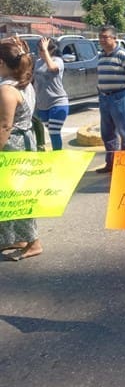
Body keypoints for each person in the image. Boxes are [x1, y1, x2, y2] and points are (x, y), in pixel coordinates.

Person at [0, 37, 43, 261]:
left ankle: (33, 242)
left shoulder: (7, 90)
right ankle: (17, 237)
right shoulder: (24, 82)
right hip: (25, 142)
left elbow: (5, 125)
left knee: (18, 194)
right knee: (10, 193)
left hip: (13, 147)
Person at [95, 26, 125, 174]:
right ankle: (111, 163)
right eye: (100, 37)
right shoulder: (100, 56)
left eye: (105, 37)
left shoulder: (123, 55)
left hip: (119, 96)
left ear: (114, 38)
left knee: (124, 132)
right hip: (104, 98)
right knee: (107, 133)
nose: (102, 40)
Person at [33, 36, 69, 150]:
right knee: (51, 131)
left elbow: (52, 68)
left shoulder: (58, 61)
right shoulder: (38, 62)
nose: (39, 52)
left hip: (58, 102)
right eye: (39, 49)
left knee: (54, 131)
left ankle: (57, 157)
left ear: (51, 50)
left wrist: (46, 51)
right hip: (42, 104)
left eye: (42, 49)